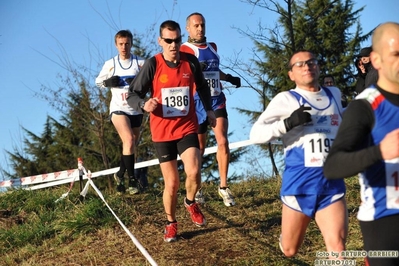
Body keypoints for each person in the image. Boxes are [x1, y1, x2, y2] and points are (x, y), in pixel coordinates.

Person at [249, 50, 348, 258]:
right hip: (299, 183)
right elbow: (256, 134)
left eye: (311, 62)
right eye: (300, 64)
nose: (306, 67)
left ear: (318, 67)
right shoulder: (286, 99)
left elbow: (343, 121)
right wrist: (288, 123)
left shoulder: (335, 95)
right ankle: (284, 240)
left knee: (338, 248)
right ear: (291, 74)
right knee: (290, 250)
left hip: (331, 182)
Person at [127, 20, 216, 242]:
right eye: (168, 41)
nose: (173, 45)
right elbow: (132, 94)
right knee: (172, 183)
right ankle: (171, 223)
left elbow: (203, 87)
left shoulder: (191, 62)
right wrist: (143, 105)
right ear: (160, 41)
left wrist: (209, 109)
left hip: (186, 126)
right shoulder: (153, 64)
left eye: (177, 40)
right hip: (162, 132)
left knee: (194, 171)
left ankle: (190, 202)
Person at [324, 22, 399, 266]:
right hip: (386, 218)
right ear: (376, 60)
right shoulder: (365, 105)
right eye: (395, 54)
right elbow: (333, 165)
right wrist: (380, 151)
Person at [180, 12, 241, 207]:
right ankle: (196, 188)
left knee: (223, 140)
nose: (200, 29)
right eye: (196, 26)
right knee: (199, 148)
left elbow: (215, 70)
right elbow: (182, 73)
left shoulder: (213, 47)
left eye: (202, 25)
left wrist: (229, 78)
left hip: (217, 100)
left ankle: (223, 187)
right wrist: (196, 67)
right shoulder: (184, 49)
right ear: (188, 28)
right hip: (198, 103)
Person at [95, 30, 145, 195]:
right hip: (118, 108)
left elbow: (153, 79)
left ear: (131, 44)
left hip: (136, 108)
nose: (124, 47)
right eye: (121, 44)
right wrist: (108, 82)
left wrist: (139, 82)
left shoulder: (139, 63)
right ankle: (132, 180)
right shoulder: (111, 63)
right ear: (116, 45)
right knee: (129, 139)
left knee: (131, 144)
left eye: (127, 44)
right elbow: (98, 81)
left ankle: (120, 173)